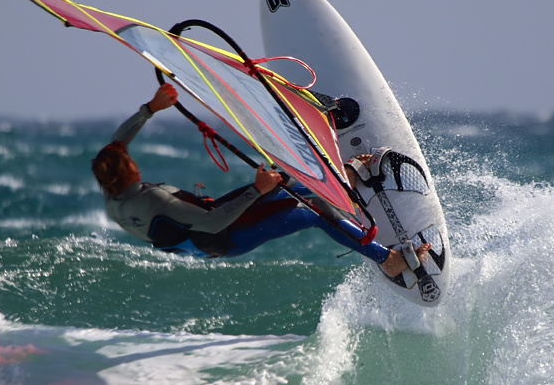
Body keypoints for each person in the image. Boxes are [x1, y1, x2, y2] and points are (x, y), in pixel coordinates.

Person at [91, 84, 429, 277]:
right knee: (313, 211)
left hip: (207, 224)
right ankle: (389, 260)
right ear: (126, 172)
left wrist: (149, 109)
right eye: (130, 162)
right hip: (224, 236)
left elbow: (118, 142)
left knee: (287, 181)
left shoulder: (113, 194)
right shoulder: (153, 201)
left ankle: (351, 178)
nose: (133, 160)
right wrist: (257, 189)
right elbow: (210, 224)